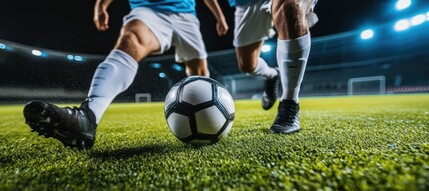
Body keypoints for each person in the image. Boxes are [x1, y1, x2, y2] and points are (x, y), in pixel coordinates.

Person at [23, 0, 229, 149]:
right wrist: (100, 6)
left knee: (200, 76)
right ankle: (87, 117)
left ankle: (207, 125)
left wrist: (219, 16)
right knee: (131, 40)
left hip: (187, 16)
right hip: (148, 11)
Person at [227, 0, 318, 133]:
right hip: (246, 3)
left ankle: (290, 102)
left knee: (289, 7)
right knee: (247, 65)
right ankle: (272, 74)